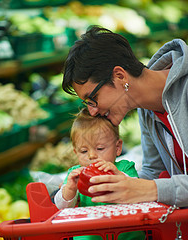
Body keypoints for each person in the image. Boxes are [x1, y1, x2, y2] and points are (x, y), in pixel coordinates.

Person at [62, 25, 188, 207]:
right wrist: (118, 178)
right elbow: (153, 172)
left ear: (120, 76)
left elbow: (151, 186)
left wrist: (150, 189)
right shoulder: (147, 110)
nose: (92, 111)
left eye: (93, 98)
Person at [54, 107, 167, 240]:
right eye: (83, 151)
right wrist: (69, 190)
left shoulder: (125, 168)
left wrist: (117, 175)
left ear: (117, 147)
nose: (91, 156)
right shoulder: (75, 174)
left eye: (99, 149)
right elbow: (61, 207)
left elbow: (136, 192)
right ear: (75, 152)